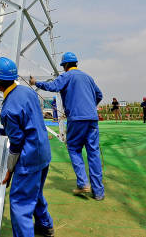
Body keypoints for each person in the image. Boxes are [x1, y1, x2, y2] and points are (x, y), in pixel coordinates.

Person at [30, 51, 105, 201]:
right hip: (92, 119)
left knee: (73, 148)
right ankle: (98, 193)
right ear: (76, 63)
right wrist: (90, 107)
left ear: (65, 65)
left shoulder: (66, 76)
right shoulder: (88, 77)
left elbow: (52, 86)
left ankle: (83, 182)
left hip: (77, 119)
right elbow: (99, 95)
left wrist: (35, 83)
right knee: (93, 153)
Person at [0, 57, 54, 237]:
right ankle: (45, 225)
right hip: (44, 154)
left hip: (29, 159)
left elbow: (17, 143)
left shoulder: (8, 110)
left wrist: (9, 169)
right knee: (35, 192)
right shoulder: (27, 92)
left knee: (20, 202)